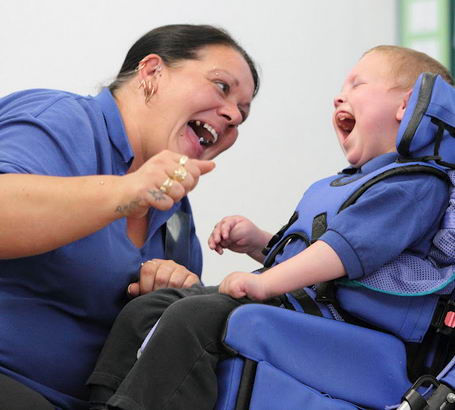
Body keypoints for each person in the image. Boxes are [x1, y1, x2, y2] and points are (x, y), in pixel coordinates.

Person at [86, 45, 454, 410]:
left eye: (357, 85)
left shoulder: (415, 187)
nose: (339, 97)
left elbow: (345, 253)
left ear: (406, 104)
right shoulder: (355, 182)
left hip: (350, 329)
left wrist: (263, 283)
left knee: (198, 318)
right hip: (307, 306)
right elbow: (310, 256)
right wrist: (259, 242)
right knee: (147, 309)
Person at [0, 24, 259, 410]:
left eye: (243, 113)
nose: (232, 116)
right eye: (222, 87)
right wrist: (126, 192)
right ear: (152, 72)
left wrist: (169, 299)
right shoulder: (63, 120)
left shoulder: (176, 220)